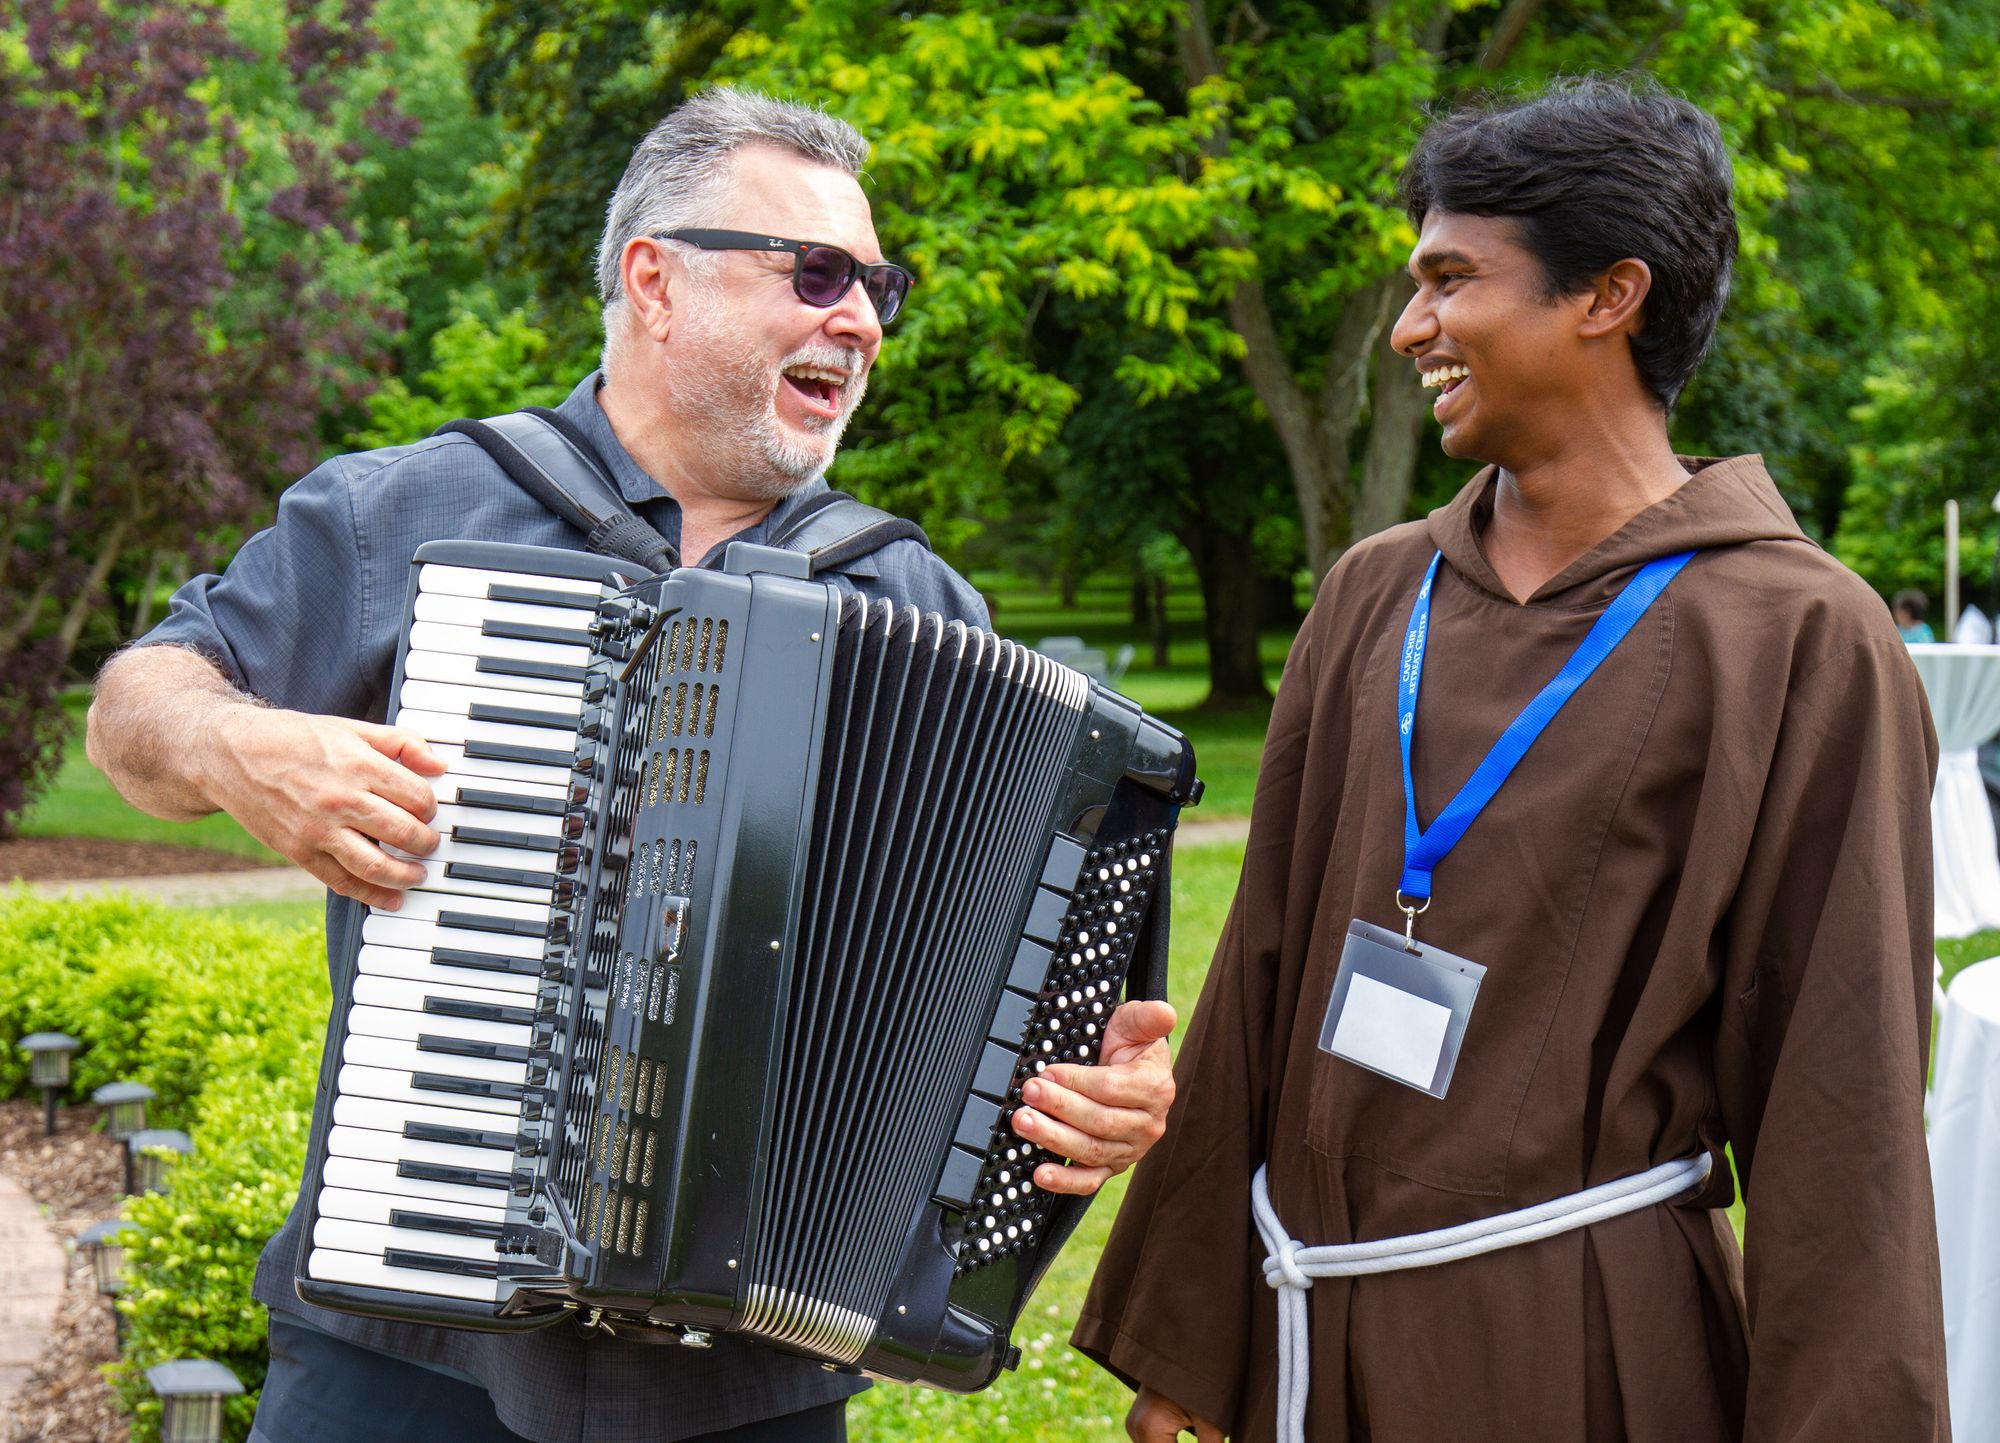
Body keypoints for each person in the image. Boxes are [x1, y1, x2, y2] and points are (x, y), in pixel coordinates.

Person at [85, 88, 1178, 1443]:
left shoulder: (918, 601)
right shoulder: (406, 514)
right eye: (818, 272)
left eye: (878, 287)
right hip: (406, 1357)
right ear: (654, 281)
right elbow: (136, 707)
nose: (861, 318)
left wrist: (1087, 1095)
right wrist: (233, 741)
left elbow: (988, 1003)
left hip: (752, 1386)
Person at [1076, 78, 1948, 1442]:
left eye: (1450, 281)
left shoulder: (1800, 637)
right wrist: (1192, 1335)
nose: (1411, 329)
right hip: (1322, 1329)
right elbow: (1260, 966)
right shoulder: (1378, 591)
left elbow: (1843, 1107)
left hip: (1592, 1354)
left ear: (1607, 298)